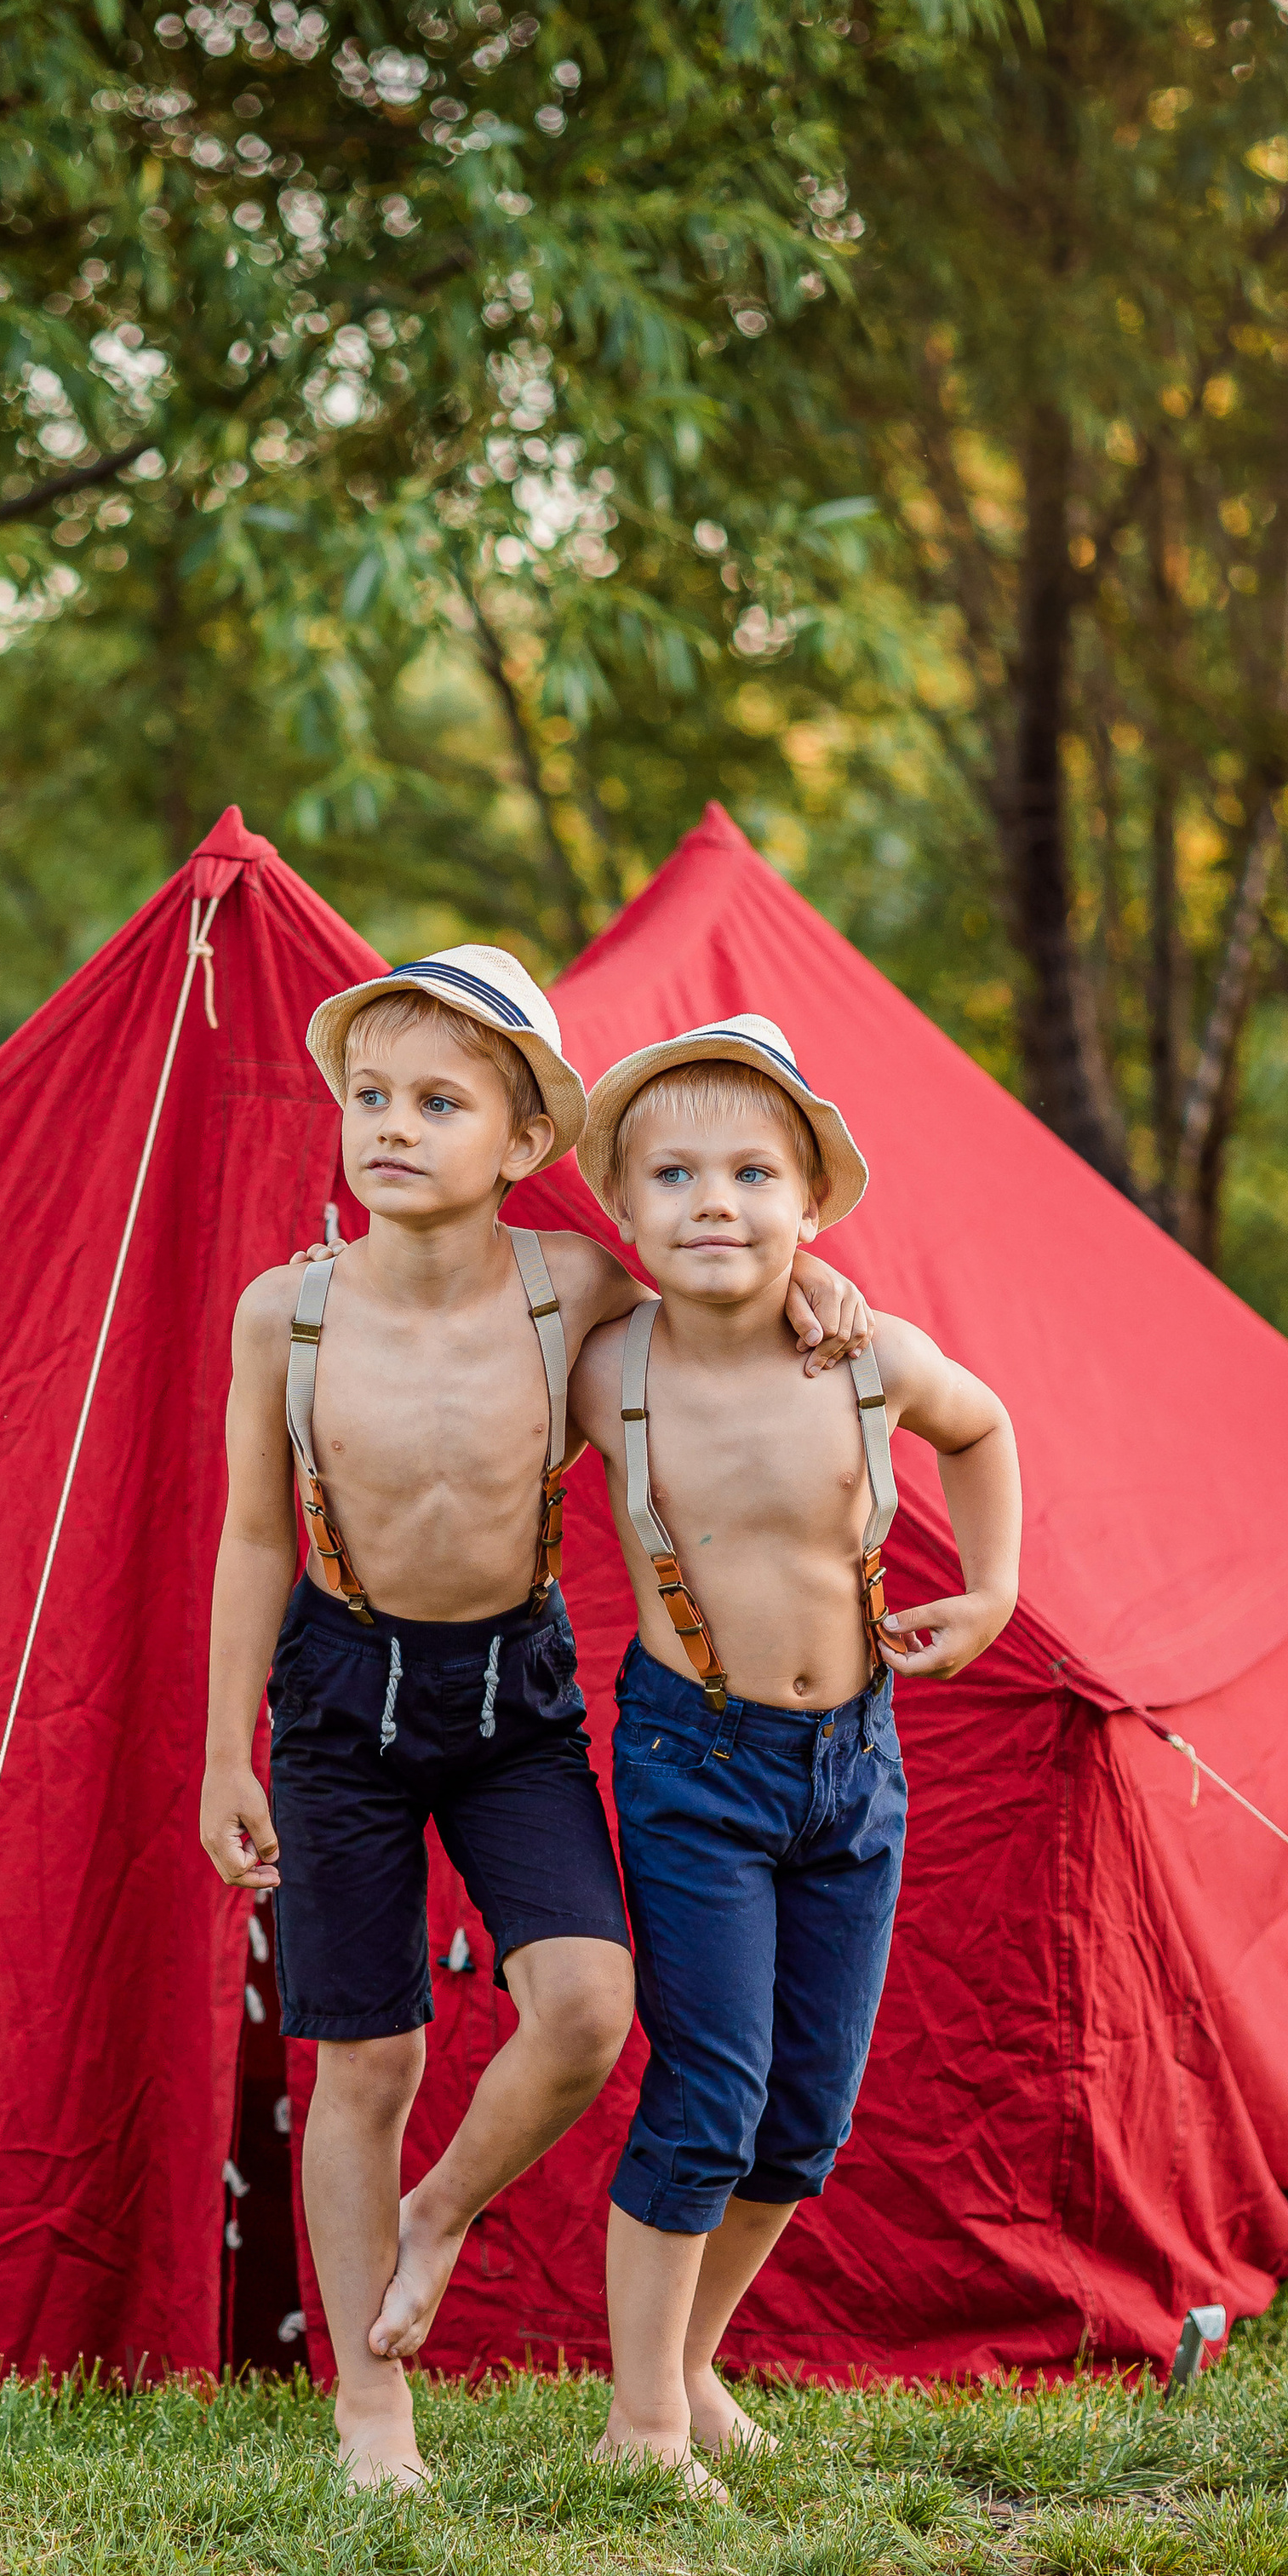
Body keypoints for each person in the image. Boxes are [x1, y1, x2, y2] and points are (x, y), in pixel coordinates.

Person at [198, 952, 875, 2489]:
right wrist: (226, 1750)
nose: (391, 1125)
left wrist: (820, 1286)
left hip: (517, 1700)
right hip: (335, 1702)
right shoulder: (284, 1314)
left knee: (585, 2006)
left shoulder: (574, 1285)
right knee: (364, 2063)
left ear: (519, 1144)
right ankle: (376, 2418)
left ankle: (443, 2212)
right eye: (370, 1095)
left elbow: (729, 1293)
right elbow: (253, 1535)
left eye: (439, 1102)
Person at [567, 1014, 1022, 2488]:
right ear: (625, 1214)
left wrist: (996, 1590)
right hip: (694, 1761)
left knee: (807, 2107)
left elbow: (987, 1424)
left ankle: (695, 2368)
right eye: (677, 1175)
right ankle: (640, 2420)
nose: (716, 1201)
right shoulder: (602, 1365)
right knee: (709, 2087)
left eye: (756, 1175)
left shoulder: (865, 1351)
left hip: (856, 1764)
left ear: (810, 1205)